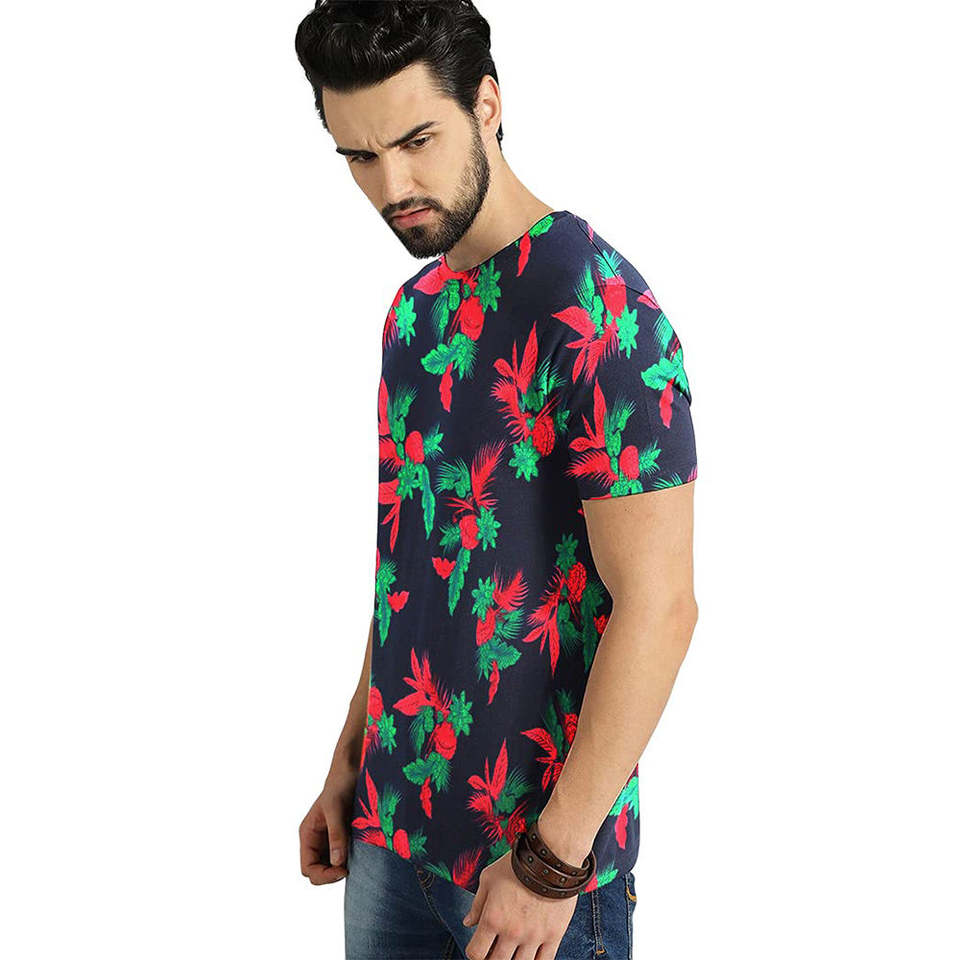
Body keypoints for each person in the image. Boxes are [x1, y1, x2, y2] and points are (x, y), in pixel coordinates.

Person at [294, 3, 698, 957]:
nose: (392, 186)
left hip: (531, 870)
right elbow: (411, 570)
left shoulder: (597, 307)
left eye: (416, 141)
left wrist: (552, 864)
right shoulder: (415, 315)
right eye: (359, 156)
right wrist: (351, 755)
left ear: (487, 103)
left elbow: (662, 606)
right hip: (390, 834)